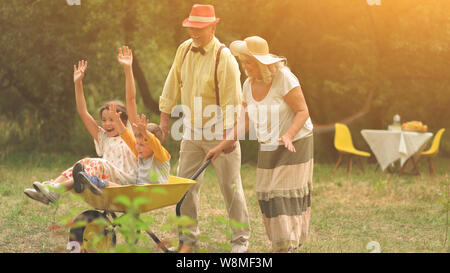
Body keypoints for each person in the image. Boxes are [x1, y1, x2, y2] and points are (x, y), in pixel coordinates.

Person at [206, 36, 314, 252]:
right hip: (268, 145)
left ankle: (285, 246)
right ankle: (281, 243)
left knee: (281, 194)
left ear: (263, 63)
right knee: (266, 195)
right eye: (244, 62)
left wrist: (289, 136)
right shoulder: (248, 85)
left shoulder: (284, 78)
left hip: (295, 142)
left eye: (250, 63)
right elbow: (244, 121)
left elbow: (303, 111)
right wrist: (221, 145)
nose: (245, 67)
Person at [159, 4, 250, 253]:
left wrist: (227, 141)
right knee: (184, 186)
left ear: (213, 27)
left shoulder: (225, 59)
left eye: (200, 28)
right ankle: (188, 240)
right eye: (192, 28)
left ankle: (240, 241)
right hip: (191, 131)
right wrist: (164, 119)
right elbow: (171, 85)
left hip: (221, 131)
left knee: (230, 187)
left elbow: (233, 103)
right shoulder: (184, 50)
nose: (195, 33)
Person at [23, 59, 138, 204]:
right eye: (104, 119)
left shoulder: (131, 133)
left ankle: (56, 190)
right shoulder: (103, 137)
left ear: (125, 121)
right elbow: (83, 112)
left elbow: (131, 99)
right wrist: (78, 83)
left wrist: (128, 69)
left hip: (127, 182)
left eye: (112, 119)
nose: (107, 124)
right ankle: (50, 189)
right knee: (83, 162)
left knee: (98, 163)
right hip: (106, 180)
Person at [75, 107, 171, 194]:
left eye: (142, 144)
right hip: (141, 191)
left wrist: (145, 133)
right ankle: (90, 181)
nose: (137, 147)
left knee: (125, 189)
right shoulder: (140, 153)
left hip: (156, 193)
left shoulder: (161, 156)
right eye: (137, 143)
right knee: (111, 185)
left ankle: (93, 182)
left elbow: (154, 144)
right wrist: (117, 121)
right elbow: (127, 136)